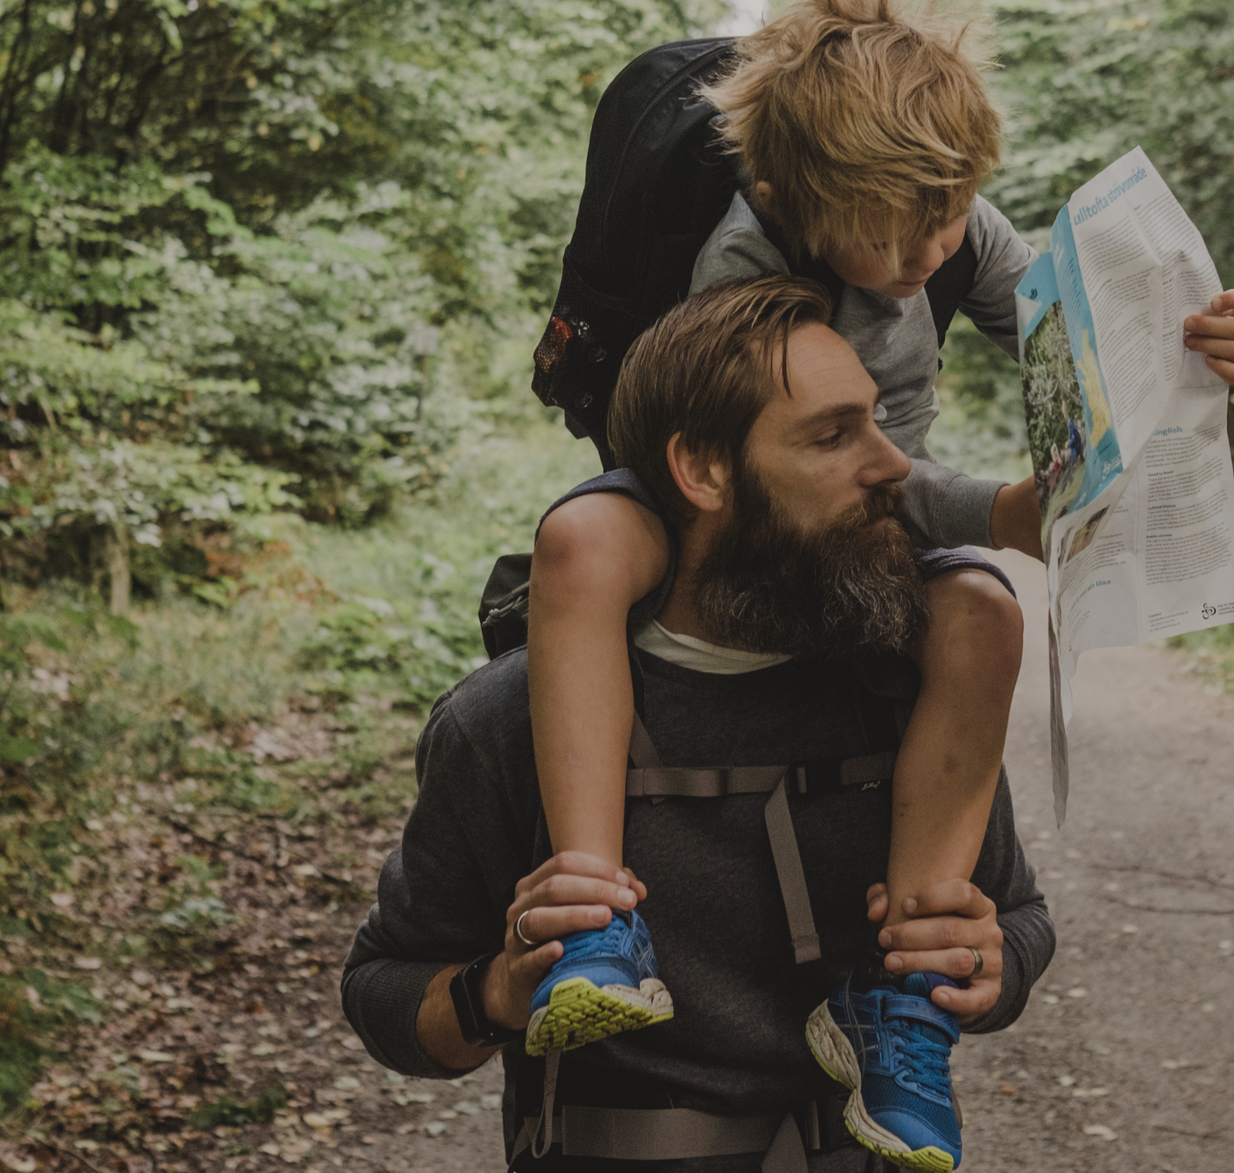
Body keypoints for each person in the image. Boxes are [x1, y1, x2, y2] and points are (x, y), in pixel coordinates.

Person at [521, 0, 1234, 1164]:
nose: (928, 250)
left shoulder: (935, 219)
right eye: (893, 232)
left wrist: (1181, 346)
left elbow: (1055, 329)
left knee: (979, 611)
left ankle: (899, 993)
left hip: (850, 476)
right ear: (787, 197)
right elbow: (812, 472)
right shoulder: (739, 270)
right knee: (580, 544)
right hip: (731, 483)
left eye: (952, 212)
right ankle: (598, 920)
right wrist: (1003, 509)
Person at [341, 277, 1057, 1172]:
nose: (895, 465)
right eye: (835, 435)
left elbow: (1019, 915)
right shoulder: (508, 720)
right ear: (703, 470)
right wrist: (498, 990)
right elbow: (382, 988)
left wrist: (987, 970)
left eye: (878, 421)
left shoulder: (905, 693)